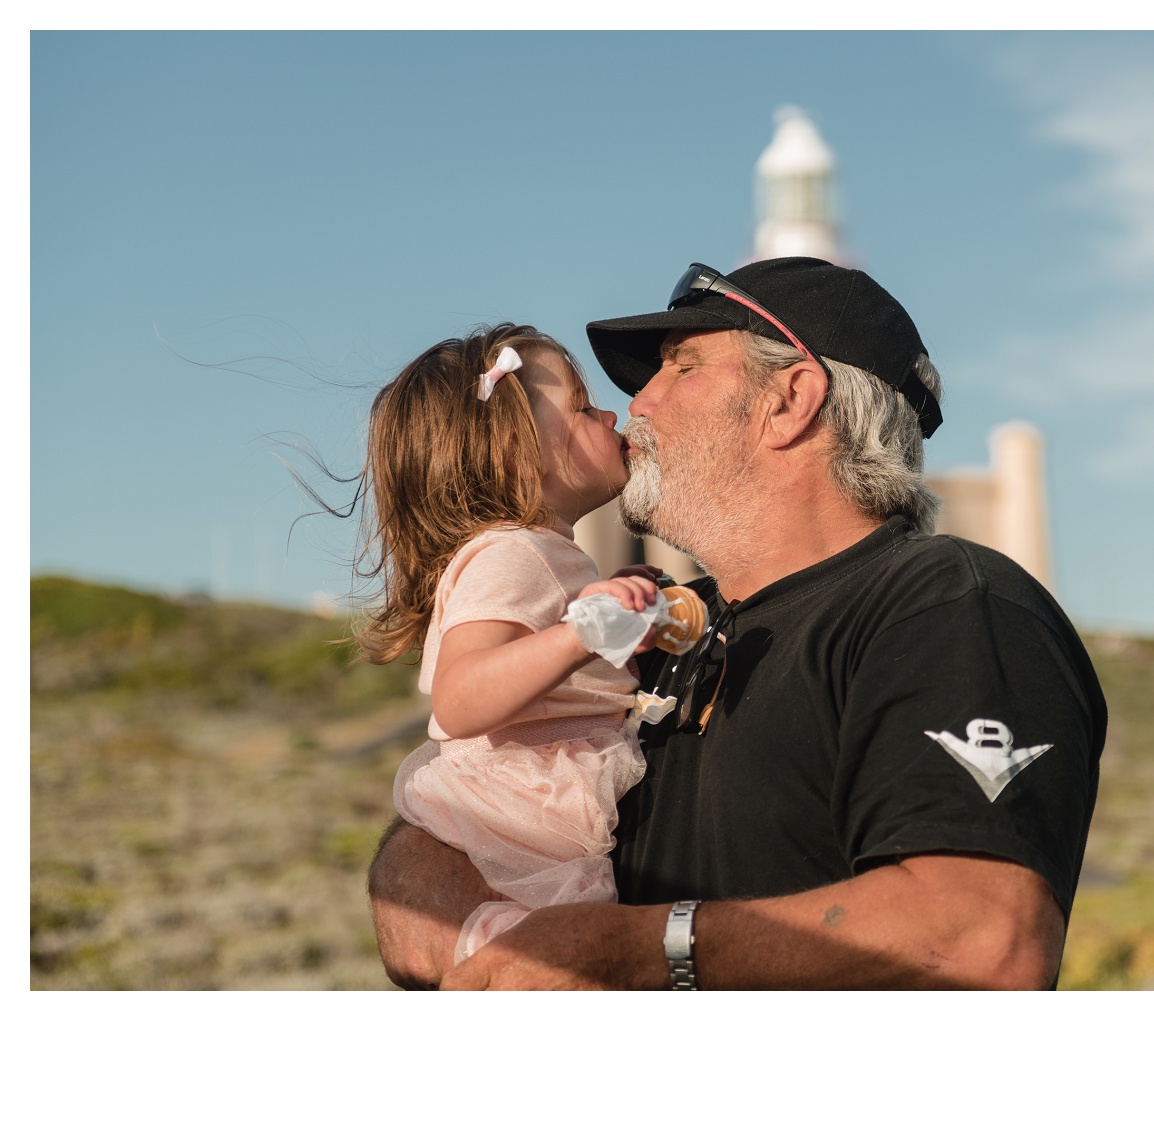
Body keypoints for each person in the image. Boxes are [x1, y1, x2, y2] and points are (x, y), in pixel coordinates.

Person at [368, 258, 1107, 990]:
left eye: (680, 367)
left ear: (790, 399)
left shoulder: (945, 607)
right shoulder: (655, 626)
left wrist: (631, 951)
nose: (637, 406)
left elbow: (981, 939)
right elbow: (422, 856)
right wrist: (507, 940)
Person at [357, 323, 680, 967]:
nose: (613, 412)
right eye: (585, 408)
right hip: (524, 818)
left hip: (536, 805)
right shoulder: (512, 552)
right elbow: (460, 696)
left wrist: (620, 626)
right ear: (516, 455)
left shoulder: (542, 554)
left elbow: (558, 685)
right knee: (566, 957)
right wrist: (583, 634)